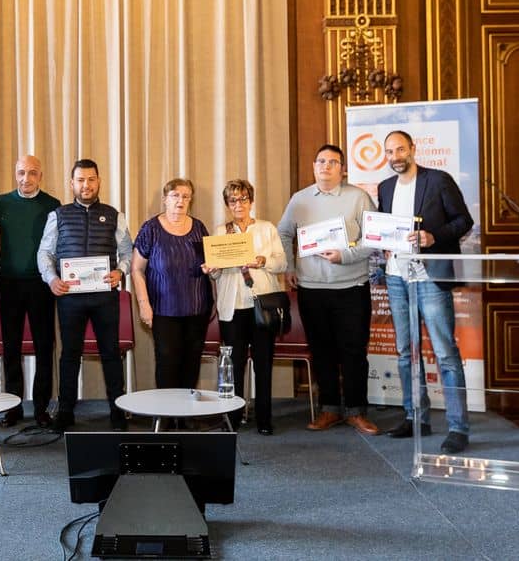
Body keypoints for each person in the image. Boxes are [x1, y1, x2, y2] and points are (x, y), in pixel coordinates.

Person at [378, 130, 474, 454]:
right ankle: (415, 416)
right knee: (406, 352)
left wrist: (434, 238)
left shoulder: (438, 180)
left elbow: (464, 220)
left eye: (400, 149)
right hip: (396, 277)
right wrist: (383, 248)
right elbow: (384, 231)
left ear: (413, 149)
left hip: (430, 278)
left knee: (445, 352)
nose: (395, 156)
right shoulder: (385, 187)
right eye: (390, 151)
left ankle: (458, 427)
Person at [278, 144, 380, 435]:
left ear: (342, 169)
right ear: (314, 166)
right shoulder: (299, 199)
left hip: (351, 287)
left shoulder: (358, 197)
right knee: (321, 351)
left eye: (333, 162)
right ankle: (330, 409)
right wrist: (289, 267)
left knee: (354, 352)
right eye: (321, 161)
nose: (325, 166)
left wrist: (344, 255)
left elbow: (373, 239)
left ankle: (357, 411)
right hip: (311, 289)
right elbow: (284, 233)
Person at [37, 159, 133, 432]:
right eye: (80, 180)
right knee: (70, 354)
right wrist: (52, 278)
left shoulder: (115, 215)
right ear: (72, 184)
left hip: (105, 296)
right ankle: (65, 412)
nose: (86, 185)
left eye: (91, 179)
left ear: (99, 181)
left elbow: (127, 251)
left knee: (111, 353)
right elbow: (45, 252)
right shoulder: (58, 215)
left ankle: (117, 410)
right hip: (70, 297)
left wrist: (120, 271)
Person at [0, 155, 61, 428]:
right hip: (10, 284)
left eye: (32, 173)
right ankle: (13, 406)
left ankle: (41, 408)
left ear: (41, 176)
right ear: (15, 174)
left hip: (42, 285)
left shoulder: (52, 205)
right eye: (21, 173)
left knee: (44, 347)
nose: (26, 179)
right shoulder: (1, 203)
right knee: (11, 348)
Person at [202, 179, 287, 435]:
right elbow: (215, 275)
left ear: (251, 201)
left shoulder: (266, 228)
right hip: (231, 307)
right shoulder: (220, 231)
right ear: (227, 205)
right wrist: (212, 270)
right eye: (233, 200)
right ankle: (233, 417)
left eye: (243, 199)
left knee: (263, 365)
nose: (238, 204)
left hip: (261, 304)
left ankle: (264, 419)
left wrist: (262, 260)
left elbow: (282, 263)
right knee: (233, 366)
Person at [131, 178, 212, 391]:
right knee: (167, 362)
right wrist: (143, 304)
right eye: (175, 195)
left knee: (191, 362)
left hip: (197, 308)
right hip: (162, 310)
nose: (180, 201)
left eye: (185, 196)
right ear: (165, 199)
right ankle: (166, 417)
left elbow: (209, 263)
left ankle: (186, 417)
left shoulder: (199, 228)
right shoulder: (151, 229)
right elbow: (137, 270)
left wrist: (211, 267)